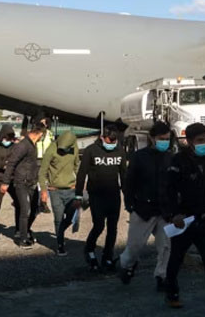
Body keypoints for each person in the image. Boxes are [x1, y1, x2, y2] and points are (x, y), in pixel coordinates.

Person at [162, 123, 205, 314]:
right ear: (190, 141)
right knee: (176, 258)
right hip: (184, 221)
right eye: (200, 140)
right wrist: (173, 214)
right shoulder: (178, 161)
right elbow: (169, 190)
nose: (204, 144)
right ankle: (172, 293)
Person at [119, 120, 173, 290]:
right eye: (161, 138)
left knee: (166, 246)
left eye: (167, 138)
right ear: (152, 138)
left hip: (164, 211)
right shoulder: (139, 157)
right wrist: (130, 205)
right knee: (134, 247)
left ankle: (162, 276)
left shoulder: (171, 157)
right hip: (143, 209)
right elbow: (129, 182)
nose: (164, 141)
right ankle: (127, 265)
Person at [75, 127, 127, 272]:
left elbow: (124, 175)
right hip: (96, 195)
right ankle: (89, 250)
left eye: (114, 140)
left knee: (113, 228)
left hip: (114, 195)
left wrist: (128, 196)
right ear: (102, 138)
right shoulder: (91, 150)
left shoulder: (119, 151)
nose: (112, 143)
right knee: (98, 225)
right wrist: (78, 195)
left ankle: (108, 257)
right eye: (109, 140)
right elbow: (82, 173)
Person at [0, 124, 45, 248]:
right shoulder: (23, 145)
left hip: (31, 182)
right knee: (25, 210)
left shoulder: (32, 145)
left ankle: (25, 230)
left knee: (35, 209)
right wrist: (5, 182)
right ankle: (22, 238)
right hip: (22, 182)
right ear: (40, 134)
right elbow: (11, 164)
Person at [39, 130, 80, 256]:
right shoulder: (51, 149)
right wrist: (44, 190)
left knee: (71, 216)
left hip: (71, 189)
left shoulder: (74, 148)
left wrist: (80, 184)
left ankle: (60, 232)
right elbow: (42, 171)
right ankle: (60, 244)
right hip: (55, 190)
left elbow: (77, 166)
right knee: (58, 218)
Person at [36, 116, 56, 214]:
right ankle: (39, 202)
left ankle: (43, 202)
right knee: (38, 182)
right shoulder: (36, 132)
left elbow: (53, 144)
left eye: (44, 122)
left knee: (45, 182)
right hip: (37, 159)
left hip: (47, 159)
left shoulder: (50, 134)